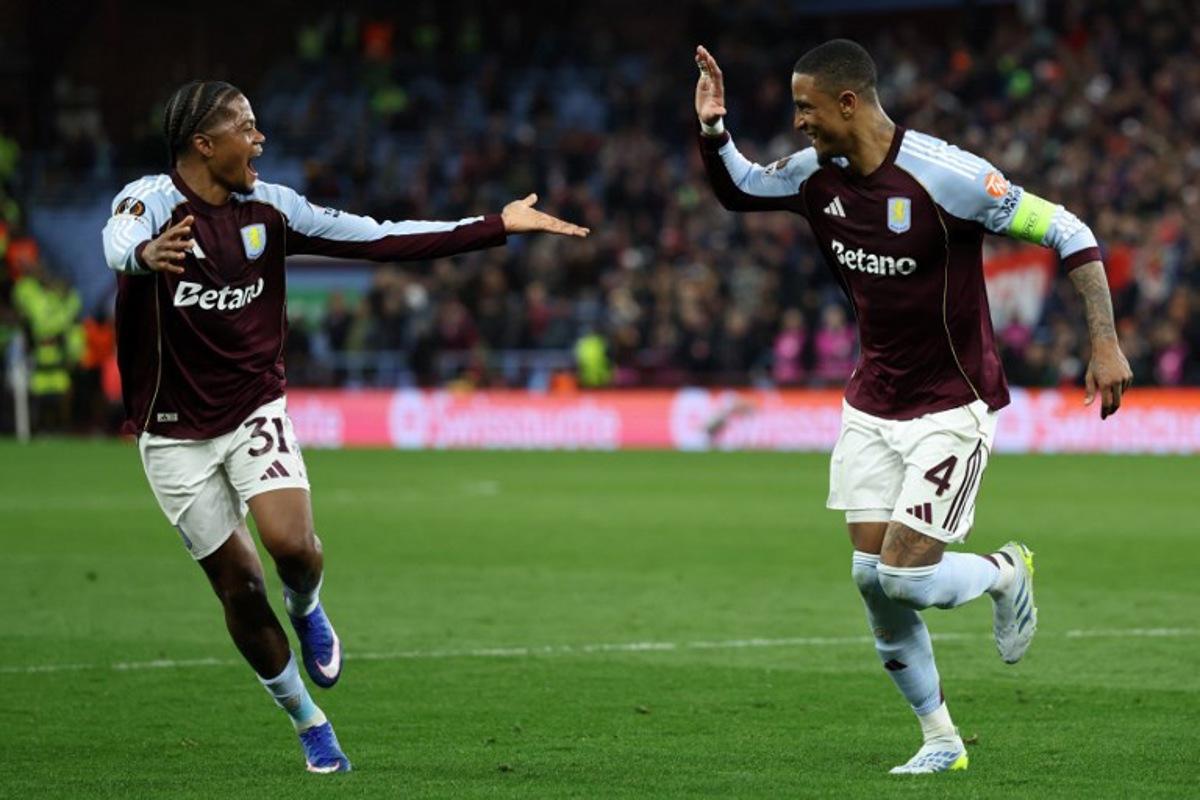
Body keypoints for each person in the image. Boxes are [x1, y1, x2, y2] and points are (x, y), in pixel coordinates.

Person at [101, 80, 588, 774]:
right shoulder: (148, 201)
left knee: (291, 546)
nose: (260, 139)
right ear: (204, 145)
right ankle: (308, 720)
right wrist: (143, 256)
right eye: (246, 127)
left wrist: (497, 226)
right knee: (238, 585)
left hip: (252, 407)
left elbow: (379, 237)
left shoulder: (273, 207)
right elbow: (116, 237)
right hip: (172, 432)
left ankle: (308, 604)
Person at [694, 40, 1132, 774]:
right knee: (873, 581)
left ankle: (1002, 572)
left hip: (951, 405)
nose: (797, 123)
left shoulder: (947, 176)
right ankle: (941, 741)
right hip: (872, 403)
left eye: (805, 107)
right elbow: (740, 188)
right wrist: (712, 128)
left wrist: (1105, 341)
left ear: (847, 103)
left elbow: (1069, 231)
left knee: (904, 578)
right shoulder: (814, 178)